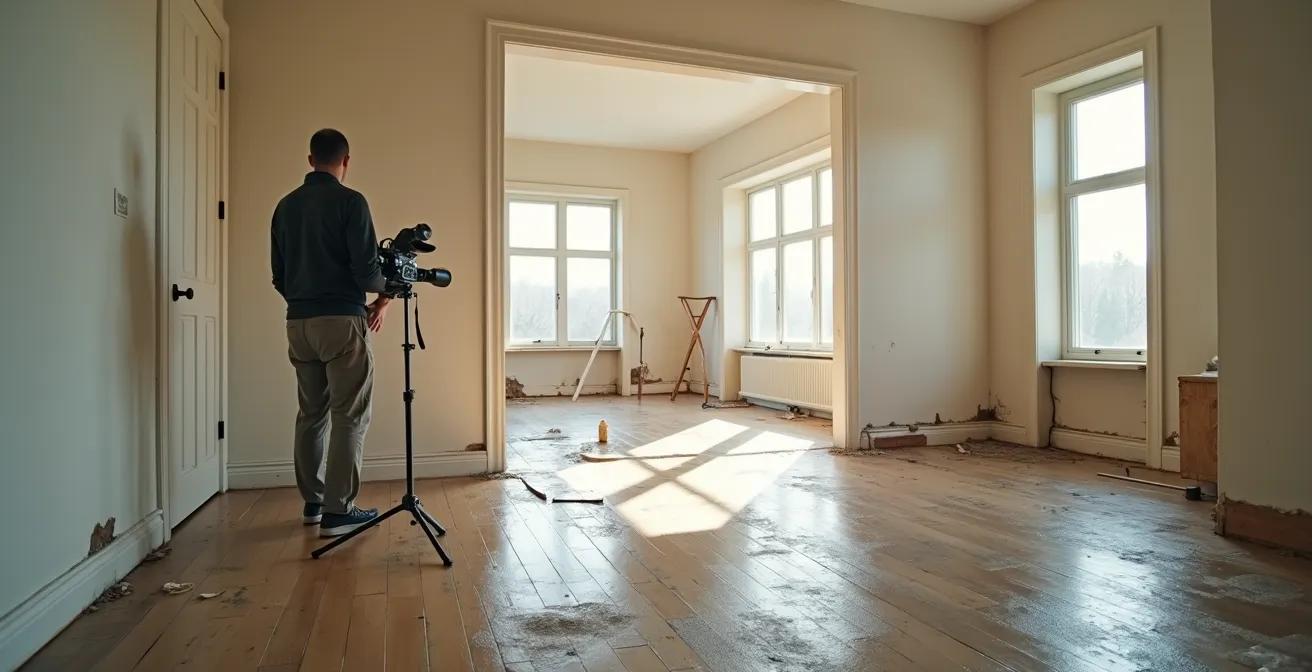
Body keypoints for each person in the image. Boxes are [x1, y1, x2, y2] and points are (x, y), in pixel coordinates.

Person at [271, 128, 391, 537]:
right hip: (342, 323)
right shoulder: (351, 203)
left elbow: (279, 276)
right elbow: (367, 272)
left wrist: (305, 300)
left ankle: (314, 503)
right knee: (349, 414)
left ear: (310, 160)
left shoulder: (284, 207)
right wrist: (388, 290)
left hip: (298, 324)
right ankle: (340, 511)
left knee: (311, 414)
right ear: (347, 160)